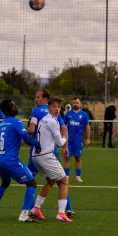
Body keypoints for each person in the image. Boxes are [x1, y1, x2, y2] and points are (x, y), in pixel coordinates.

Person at [0, 99, 40, 223]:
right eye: (12, 106)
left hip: (0, 160)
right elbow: (27, 139)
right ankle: (25, 214)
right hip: (10, 160)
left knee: (5, 183)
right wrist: (38, 144)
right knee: (32, 183)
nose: (15, 107)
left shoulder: (1, 124)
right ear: (7, 110)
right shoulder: (16, 122)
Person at [27, 89, 75, 217]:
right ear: (48, 106)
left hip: (35, 155)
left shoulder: (43, 117)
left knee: (51, 180)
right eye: (54, 106)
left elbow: (32, 130)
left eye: (59, 107)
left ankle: (35, 208)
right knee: (64, 180)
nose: (57, 109)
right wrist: (65, 140)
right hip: (47, 156)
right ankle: (61, 213)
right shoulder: (54, 121)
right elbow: (60, 141)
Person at [63, 97, 90, 183]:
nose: (75, 104)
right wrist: (62, 137)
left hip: (78, 141)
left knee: (78, 158)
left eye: (77, 103)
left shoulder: (84, 115)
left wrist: (88, 138)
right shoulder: (68, 114)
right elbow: (63, 126)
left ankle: (78, 176)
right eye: (74, 103)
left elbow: (87, 127)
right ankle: (66, 176)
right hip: (69, 141)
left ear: (80, 104)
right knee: (67, 158)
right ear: (72, 104)